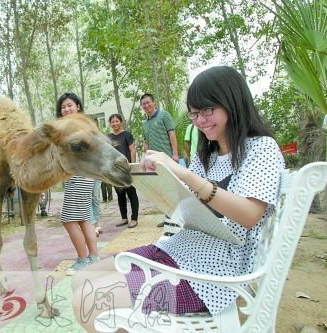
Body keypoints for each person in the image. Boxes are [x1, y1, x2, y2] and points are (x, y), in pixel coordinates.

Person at [71, 66, 285, 332]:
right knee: (83, 277)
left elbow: (250, 214)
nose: (200, 120)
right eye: (195, 114)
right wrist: (156, 182)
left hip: (212, 272)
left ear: (233, 102)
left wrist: (183, 173)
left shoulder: (261, 148)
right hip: (178, 249)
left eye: (207, 110)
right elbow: (185, 204)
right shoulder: (206, 154)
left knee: (91, 301)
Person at [56, 92, 100, 275]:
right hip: (83, 175)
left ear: (78, 106)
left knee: (68, 219)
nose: (66, 109)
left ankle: (83, 259)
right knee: (83, 219)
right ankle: (94, 257)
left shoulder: (77, 126)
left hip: (79, 175)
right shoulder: (78, 124)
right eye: (63, 107)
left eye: (69, 105)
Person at [140, 93, 179, 227]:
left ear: (154, 102)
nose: (146, 105)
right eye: (143, 104)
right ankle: (168, 218)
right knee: (161, 191)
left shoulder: (164, 115)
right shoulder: (144, 123)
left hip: (168, 159)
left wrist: (175, 154)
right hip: (154, 163)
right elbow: (146, 142)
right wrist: (145, 158)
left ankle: (178, 218)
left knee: (172, 190)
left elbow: (172, 134)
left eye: (148, 102)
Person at [108, 114, 140, 229]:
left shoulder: (127, 134)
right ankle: (124, 218)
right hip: (115, 170)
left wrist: (132, 165)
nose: (115, 123)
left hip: (126, 169)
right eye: (112, 122)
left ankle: (134, 218)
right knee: (120, 194)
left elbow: (132, 150)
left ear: (120, 122)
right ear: (110, 124)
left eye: (117, 121)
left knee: (132, 194)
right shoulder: (109, 137)